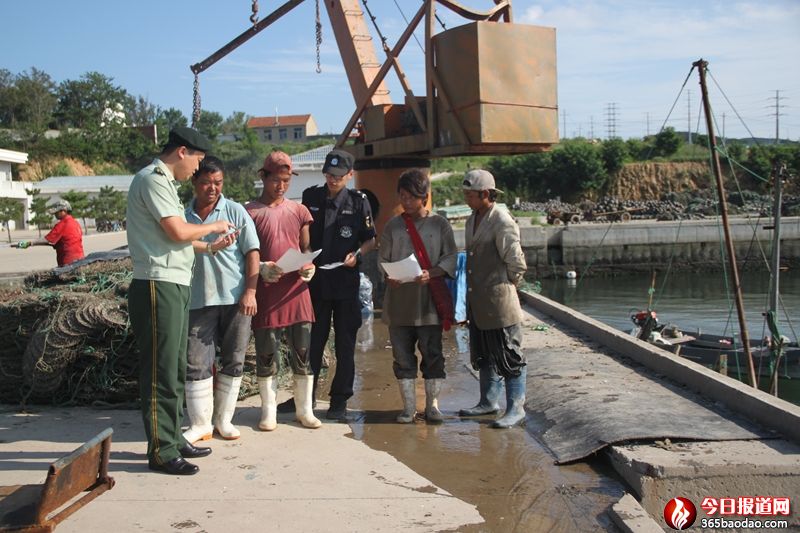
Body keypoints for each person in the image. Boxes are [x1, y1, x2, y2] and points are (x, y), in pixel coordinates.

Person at [127, 127, 235, 476]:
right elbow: (177, 231)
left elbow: (176, 239)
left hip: (173, 283)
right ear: (183, 152)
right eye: (197, 162)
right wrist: (213, 227)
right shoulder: (153, 180)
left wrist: (210, 247)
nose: (196, 171)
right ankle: (162, 450)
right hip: (157, 284)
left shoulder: (165, 184)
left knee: (174, 368)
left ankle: (173, 437)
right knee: (160, 370)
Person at [290, 148, 376, 420]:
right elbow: (302, 234)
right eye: (329, 174)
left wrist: (357, 255)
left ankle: (340, 399)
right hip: (316, 283)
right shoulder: (311, 197)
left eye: (338, 175)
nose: (332, 179)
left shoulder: (359, 202)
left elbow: (370, 239)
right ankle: (305, 397)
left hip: (345, 283)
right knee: (312, 342)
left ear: (350, 175)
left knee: (345, 344)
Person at [182, 156, 260, 444]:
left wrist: (250, 291)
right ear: (194, 182)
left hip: (235, 299)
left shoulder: (236, 211)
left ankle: (223, 420)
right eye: (206, 183)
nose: (213, 188)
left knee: (234, 359)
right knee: (195, 362)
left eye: (218, 182)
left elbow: (253, 252)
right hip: (197, 300)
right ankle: (200, 424)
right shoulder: (182, 216)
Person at [246, 151, 321, 431]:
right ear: (263, 177)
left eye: (286, 181)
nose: (281, 186)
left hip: (296, 290)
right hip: (266, 290)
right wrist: (260, 267)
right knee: (267, 351)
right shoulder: (249, 212)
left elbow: (305, 248)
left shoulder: (300, 211)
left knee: (303, 350)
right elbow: (243, 254)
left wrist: (309, 266)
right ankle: (269, 411)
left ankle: (304, 410)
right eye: (276, 180)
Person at [379, 169, 457, 424]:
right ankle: (408, 407)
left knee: (433, 354)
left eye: (411, 197)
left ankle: (432, 406)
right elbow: (383, 259)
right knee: (402, 357)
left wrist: (432, 273)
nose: (406, 201)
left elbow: (451, 257)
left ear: (424, 197)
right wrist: (388, 275)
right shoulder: (393, 226)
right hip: (399, 303)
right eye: (402, 196)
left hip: (429, 304)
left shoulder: (439, 224)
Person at [458, 169, 528, 429]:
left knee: (510, 354)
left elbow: (516, 262)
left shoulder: (501, 220)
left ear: (485, 194)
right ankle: (488, 401)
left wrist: (507, 287)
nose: (466, 199)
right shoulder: (471, 219)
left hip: (499, 302)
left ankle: (516, 408)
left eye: (470, 195)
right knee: (484, 353)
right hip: (478, 301)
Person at [16, 200, 84, 266]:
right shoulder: (75, 223)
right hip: (80, 259)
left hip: (69, 261)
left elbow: (47, 240)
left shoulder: (63, 224)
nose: (55, 214)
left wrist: (29, 243)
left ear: (63, 211)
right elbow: (64, 241)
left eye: (56, 212)